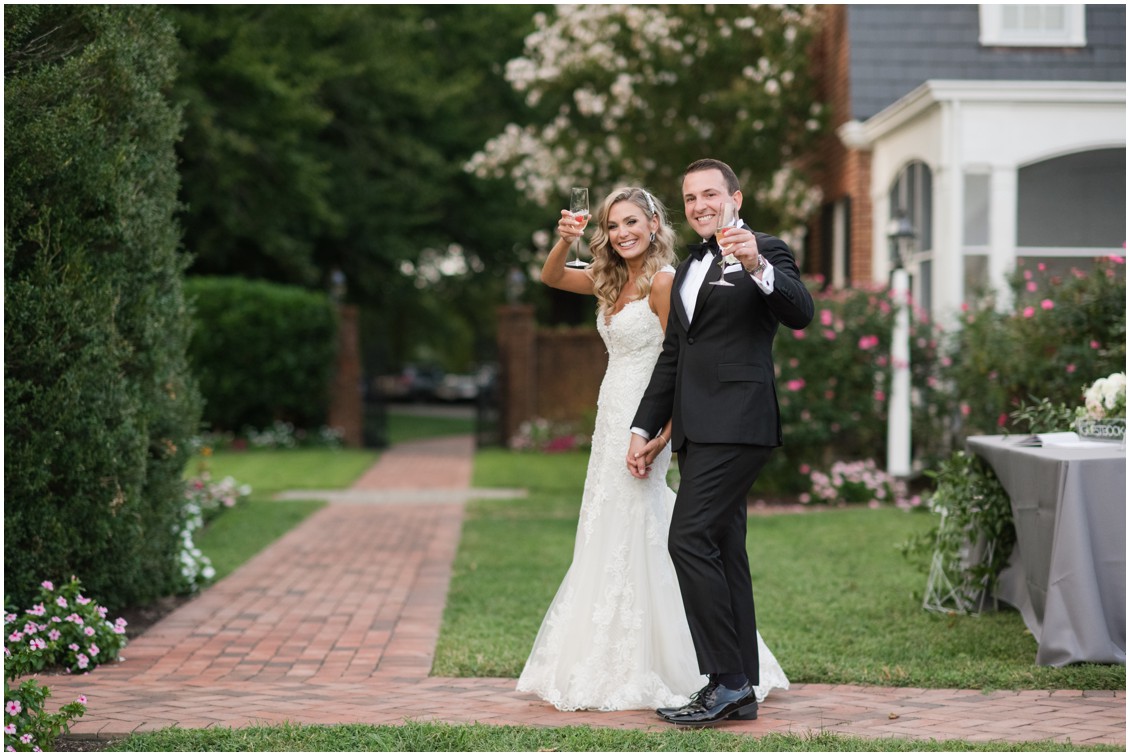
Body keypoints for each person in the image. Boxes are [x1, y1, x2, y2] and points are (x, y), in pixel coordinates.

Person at [517, 186, 789, 712]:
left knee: (655, 523)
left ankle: (693, 662)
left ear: (654, 222)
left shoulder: (666, 283)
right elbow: (552, 277)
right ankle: (619, 654)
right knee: (612, 523)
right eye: (613, 225)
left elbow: (677, 359)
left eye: (631, 223)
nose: (622, 234)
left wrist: (661, 428)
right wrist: (563, 240)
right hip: (612, 413)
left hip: (647, 417)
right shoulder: (609, 279)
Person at [627, 159, 814, 726]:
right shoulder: (688, 266)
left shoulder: (768, 249)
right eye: (690, 198)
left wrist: (756, 263)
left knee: (687, 539)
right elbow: (674, 356)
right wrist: (644, 427)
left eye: (711, 194)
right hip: (695, 430)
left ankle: (726, 681)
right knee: (724, 549)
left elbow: (800, 311)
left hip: (739, 422)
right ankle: (741, 689)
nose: (700, 204)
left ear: (735, 195)